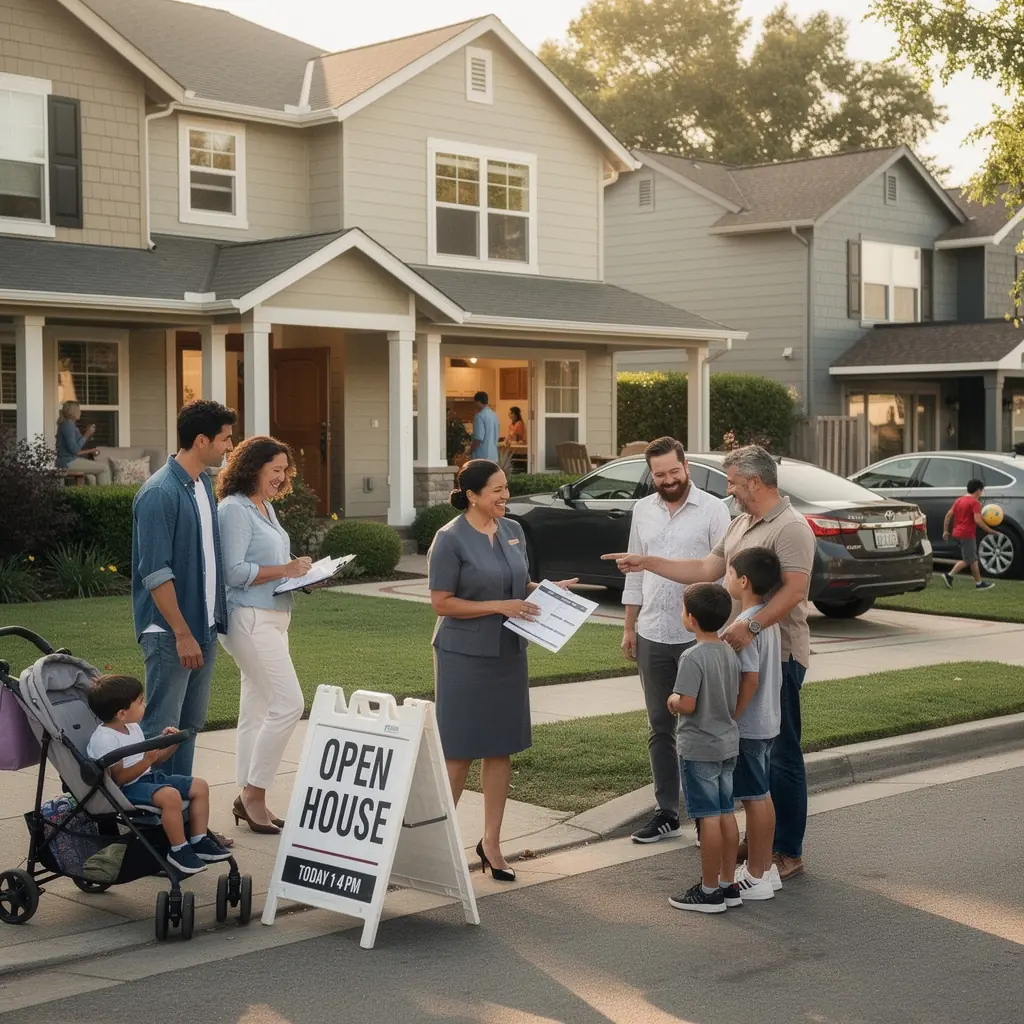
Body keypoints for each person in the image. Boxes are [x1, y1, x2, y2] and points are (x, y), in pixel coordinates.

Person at [605, 444, 815, 881]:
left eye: (735, 481)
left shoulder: (791, 527)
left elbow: (794, 592)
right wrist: (647, 562)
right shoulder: (741, 522)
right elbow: (705, 567)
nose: (730, 489)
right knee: (753, 757)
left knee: (780, 755)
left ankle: (787, 851)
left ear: (755, 481)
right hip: (740, 651)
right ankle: (762, 845)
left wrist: (751, 627)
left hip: (778, 654)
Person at [427, 459, 577, 881]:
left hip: (509, 651)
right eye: (496, 490)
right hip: (463, 656)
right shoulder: (449, 539)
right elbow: (441, 602)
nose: (504, 496)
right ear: (472, 495)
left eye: (506, 488)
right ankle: (436, 845)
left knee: (500, 748)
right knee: (458, 753)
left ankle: (491, 843)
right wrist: (499, 606)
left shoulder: (513, 531)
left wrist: (548, 592)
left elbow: (517, 585)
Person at [621, 436, 730, 845]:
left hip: (697, 638)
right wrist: (629, 626)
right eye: (659, 474)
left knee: (702, 726)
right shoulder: (642, 510)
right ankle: (667, 811)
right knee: (660, 727)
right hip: (652, 631)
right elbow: (635, 570)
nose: (667, 480)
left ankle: (707, 817)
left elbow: (719, 574)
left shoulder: (714, 510)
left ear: (687, 467)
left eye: (673, 472)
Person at [132, 399, 236, 791]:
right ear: (201, 440)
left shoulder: (201, 484)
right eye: (225, 439)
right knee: (162, 730)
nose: (229, 446)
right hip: (172, 634)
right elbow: (156, 574)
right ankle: (154, 821)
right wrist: (181, 632)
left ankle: (185, 816)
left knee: (188, 727)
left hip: (202, 629)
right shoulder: (160, 493)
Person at [217, 436, 313, 835]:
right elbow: (233, 571)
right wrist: (284, 571)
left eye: (285, 470)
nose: (282, 477)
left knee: (255, 712)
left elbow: (268, 561)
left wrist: (300, 571)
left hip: (273, 615)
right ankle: (254, 793)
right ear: (252, 467)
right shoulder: (233, 510)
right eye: (275, 469)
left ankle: (248, 794)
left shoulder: (265, 508)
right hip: (248, 618)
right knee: (289, 704)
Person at [86, 674, 231, 876]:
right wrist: (147, 760)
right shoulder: (105, 739)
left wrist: (172, 743)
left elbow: (158, 760)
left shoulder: (132, 727)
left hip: (147, 779)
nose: (144, 705)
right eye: (140, 702)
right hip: (124, 790)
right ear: (121, 713)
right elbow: (117, 778)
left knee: (200, 786)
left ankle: (199, 840)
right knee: (170, 796)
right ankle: (178, 849)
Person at [665, 583, 741, 914]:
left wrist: (672, 701)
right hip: (727, 742)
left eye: (683, 610)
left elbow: (688, 703)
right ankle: (728, 883)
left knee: (707, 817)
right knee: (726, 812)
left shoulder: (692, 657)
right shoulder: (728, 651)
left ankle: (709, 891)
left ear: (691, 619)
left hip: (699, 747)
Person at [724, 547, 783, 900]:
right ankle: (764, 868)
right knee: (762, 795)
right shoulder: (766, 619)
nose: (726, 580)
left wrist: (732, 717)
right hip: (767, 720)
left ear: (743, 581)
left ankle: (757, 876)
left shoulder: (743, 626)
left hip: (749, 724)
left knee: (753, 797)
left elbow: (749, 679)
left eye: (729, 573)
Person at [942, 479, 997, 590]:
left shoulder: (959, 500)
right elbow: (977, 520)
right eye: (981, 491)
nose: (981, 493)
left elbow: (948, 515)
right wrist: (989, 530)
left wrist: (945, 531)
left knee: (971, 559)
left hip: (957, 532)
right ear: (978, 490)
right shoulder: (975, 503)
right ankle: (951, 576)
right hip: (967, 534)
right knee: (970, 559)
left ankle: (977, 583)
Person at [55, 400, 111, 485]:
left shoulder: (69, 425)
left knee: (91, 478)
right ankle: (106, 497)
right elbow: (75, 450)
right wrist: (86, 434)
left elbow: (76, 448)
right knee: (104, 468)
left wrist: (88, 435)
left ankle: (92, 497)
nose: (80, 412)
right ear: (73, 412)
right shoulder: (68, 426)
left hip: (69, 460)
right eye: (79, 410)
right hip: (67, 463)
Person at [470, 391, 500, 462]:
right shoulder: (494, 415)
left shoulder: (479, 416)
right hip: (493, 456)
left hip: (482, 456)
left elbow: (478, 438)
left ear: (478, 402)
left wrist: (471, 450)